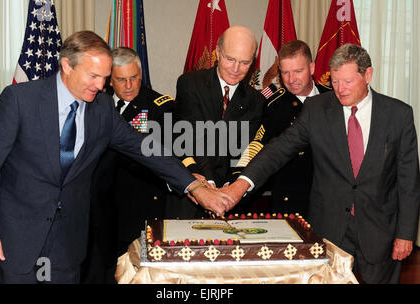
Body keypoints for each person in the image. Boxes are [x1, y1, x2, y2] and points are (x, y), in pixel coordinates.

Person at [0, 31, 233, 284]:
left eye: (105, 77)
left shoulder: (102, 109)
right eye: (94, 76)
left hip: (67, 243)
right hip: (15, 239)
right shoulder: (19, 100)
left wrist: (195, 186)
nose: (101, 85)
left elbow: (144, 148)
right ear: (67, 65)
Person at [220, 44, 420, 284]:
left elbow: (409, 181)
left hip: (380, 232)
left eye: (347, 82)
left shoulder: (398, 115)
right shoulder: (317, 110)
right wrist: (240, 185)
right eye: (334, 82)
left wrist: (405, 234)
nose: (340, 90)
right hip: (330, 231)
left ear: (368, 75)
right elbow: (278, 150)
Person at [81, 47, 175, 283]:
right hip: (99, 206)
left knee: (135, 273)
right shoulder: (93, 103)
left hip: (139, 206)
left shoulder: (160, 107)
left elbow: (157, 157)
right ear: (109, 80)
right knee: (99, 269)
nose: (130, 85)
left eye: (134, 78)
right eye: (122, 79)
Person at [165, 25, 265, 219]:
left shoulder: (256, 100)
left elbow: (246, 150)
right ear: (218, 52)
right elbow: (193, 136)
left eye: (244, 62)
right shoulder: (190, 83)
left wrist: (230, 188)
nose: (236, 69)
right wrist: (208, 186)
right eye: (230, 59)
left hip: (231, 200)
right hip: (192, 193)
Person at [230, 40, 331, 216]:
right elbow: (257, 146)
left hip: (330, 200)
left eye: (298, 71)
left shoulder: (332, 99)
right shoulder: (273, 106)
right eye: (285, 73)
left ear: (312, 68)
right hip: (291, 201)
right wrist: (237, 180)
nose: (291, 80)